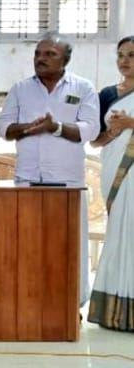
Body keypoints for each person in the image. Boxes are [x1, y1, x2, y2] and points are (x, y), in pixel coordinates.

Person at [0, 32, 99, 307]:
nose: (41, 59)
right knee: (27, 244)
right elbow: (3, 127)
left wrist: (55, 128)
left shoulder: (83, 88)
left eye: (50, 54)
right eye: (38, 54)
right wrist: (29, 127)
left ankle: (70, 305)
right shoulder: (21, 88)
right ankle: (27, 304)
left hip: (68, 183)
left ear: (65, 60)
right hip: (27, 180)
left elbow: (90, 129)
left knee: (68, 246)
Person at [88, 36, 134, 330]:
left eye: (131, 55)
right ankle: (115, 312)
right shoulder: (106, 94)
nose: (124, 61)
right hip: (115, 169)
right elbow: (94, 141)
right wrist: (113, 133)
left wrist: (131, 123)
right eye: (120, 55)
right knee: (118, 233)